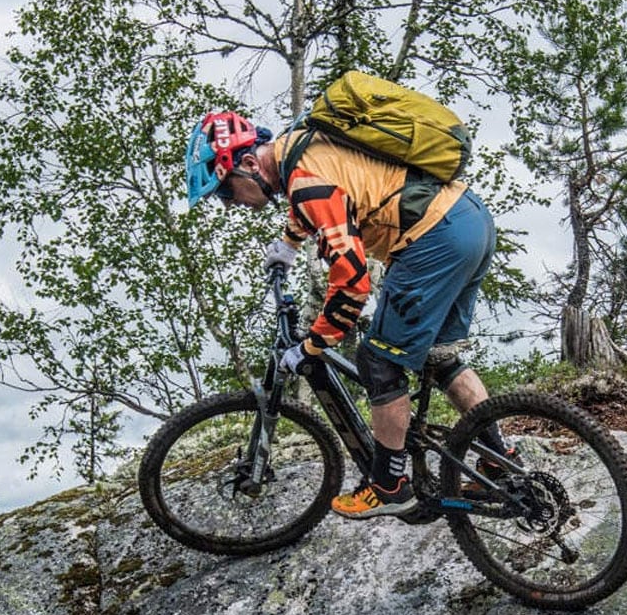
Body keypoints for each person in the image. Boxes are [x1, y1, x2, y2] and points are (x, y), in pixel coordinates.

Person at [185, 111, 511, 519]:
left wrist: (313, 343)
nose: (231, 204)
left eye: (226, 192)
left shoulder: (304, 179)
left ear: (249, 165)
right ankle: (499, 455)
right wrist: (288, 245)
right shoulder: (298, 147)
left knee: (377, 360)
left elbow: (353, 279)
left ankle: (389, 486)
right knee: (439, 355)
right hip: (469, 220)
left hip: (433, 240)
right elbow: (328, 196)